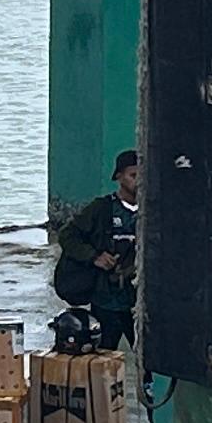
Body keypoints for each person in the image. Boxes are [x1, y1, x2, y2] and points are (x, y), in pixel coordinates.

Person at [52, 150, 139, 351]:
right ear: (119, 177)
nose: (139, 181)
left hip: (138, 302)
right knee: (103, 355)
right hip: (106, 300)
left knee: (150, 360)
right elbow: (67, 235)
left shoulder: (151, 210)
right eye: (133, 176)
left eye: (143, 175)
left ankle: (147, 383)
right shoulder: (102, 209)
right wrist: (94, 257)